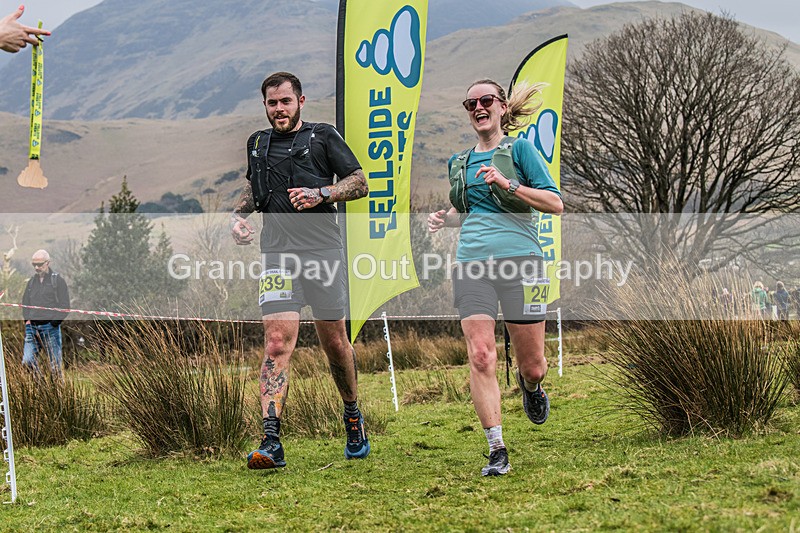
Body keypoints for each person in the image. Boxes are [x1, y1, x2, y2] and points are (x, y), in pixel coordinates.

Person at [230, 72, 370, 469]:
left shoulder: (322, 136)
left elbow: (360, 182)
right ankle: (271, 441)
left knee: (335, 345)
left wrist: (322, 193)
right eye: (272, 103)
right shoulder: (256, 144)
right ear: (265, 106)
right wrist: (238, 218)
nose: (279, 110)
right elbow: (253, 191)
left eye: (286, 102)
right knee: (276, 343)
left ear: (301, 101)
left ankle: (352, 415)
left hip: (323, 252)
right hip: (277, 254)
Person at [427, 79, 563, 476]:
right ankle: (496, 448)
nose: (478, 107)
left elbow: (554, 203)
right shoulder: (460, 162)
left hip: (523, 262)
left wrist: (509, 184)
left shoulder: (519, 150)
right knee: (481, 354)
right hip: (471, 265)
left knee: (533, 366)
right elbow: (471, 212)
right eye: (470, 103)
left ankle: (532, 388)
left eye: (486, 100)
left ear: (502, 107)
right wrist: (446, 219)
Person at [21, 249, 70, 376]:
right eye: (34, 265)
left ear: (48, 263)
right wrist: (27, 321)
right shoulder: (31, 282)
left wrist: (54, 322)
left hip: (51, 328)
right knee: (27, 361)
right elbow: (25, 303)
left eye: (40, 264)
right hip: (32, 328)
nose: (36, 267)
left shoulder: (58, 281)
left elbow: (65, 306)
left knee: (55, 367)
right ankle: (42, 386)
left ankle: (57, 394)